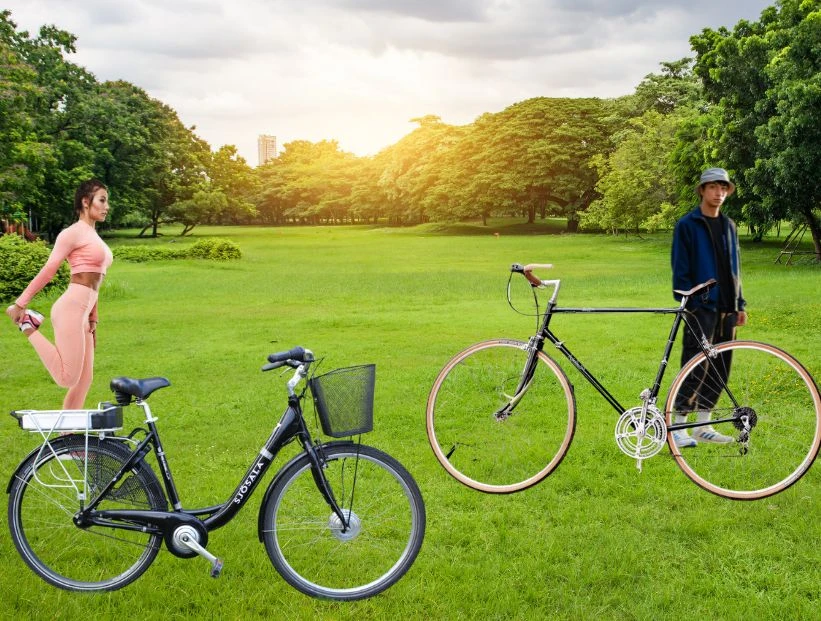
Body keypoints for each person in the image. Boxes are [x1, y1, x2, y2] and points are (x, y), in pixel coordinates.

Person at [5, 179, 113, 410]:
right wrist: (20, 303)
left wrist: (93, 318)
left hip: (83, 313)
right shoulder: (71, 233)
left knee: (84, 380)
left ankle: (69, 439)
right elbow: (49, 270)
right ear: (86, 202)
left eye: (107, 201)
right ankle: (27, 324)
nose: (106, 206)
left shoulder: (95, 237)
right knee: (68, 378)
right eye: (102, 200)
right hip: (70, 309)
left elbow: (96, 283)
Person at [670, 167, 747, 448]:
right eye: (714, 187)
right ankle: (678, 427)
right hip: (700, 307)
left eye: (724, 188)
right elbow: (680, 271)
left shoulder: (729, 226)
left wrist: (740, 303)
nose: (719, 193)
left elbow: (734, 267)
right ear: (702, 190)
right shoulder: (687, 225)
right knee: (695, 365)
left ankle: (704, 425)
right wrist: (689, 302)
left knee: (720, 367)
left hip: (727, 307)